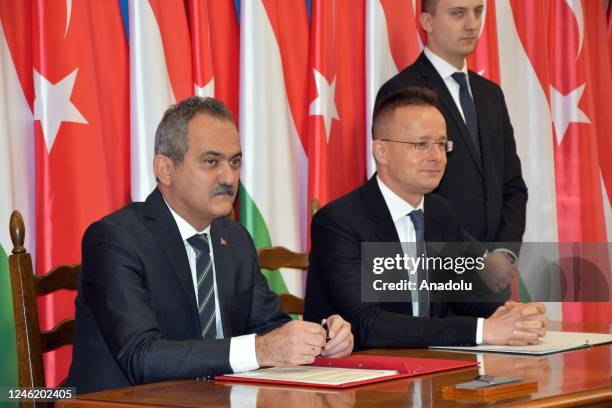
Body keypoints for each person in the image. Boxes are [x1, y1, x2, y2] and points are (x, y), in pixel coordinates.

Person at [67, 97, 353, 394]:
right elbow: (141, 357)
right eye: (211, 162)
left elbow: (269, 329)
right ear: (165, 169)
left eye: (234, 162)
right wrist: (260, 350)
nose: (229, 177)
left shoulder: (235, 238)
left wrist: (320, 337)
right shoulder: (116, 239)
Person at [304, 86, 547, 349]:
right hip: (362, 372)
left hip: (430, 368)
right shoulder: (339, 222)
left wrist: (512, 315)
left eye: (442, 144)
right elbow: (366, 324)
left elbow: (462, 295)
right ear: (382, 151)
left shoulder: (440, 213)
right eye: (421, 144)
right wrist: (482, 330)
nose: (436, 156)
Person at [375, 0, 528, 292]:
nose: (472, 23)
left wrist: (504, 255)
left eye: (478, 11)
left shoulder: (491, 95)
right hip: (436, 277)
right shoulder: (401, 93)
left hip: (495, 281)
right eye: (458, 13)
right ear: (427, 21)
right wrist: (478, 260)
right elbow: (405, 193)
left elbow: (512, 185)